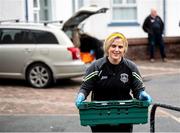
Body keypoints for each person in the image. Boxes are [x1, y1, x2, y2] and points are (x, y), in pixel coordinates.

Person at [75, 32, 152, 132]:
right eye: (113, 46)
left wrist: (142, 94)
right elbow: (85, 87)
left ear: (124, 49)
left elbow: (138, 89)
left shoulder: (131, 67)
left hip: (124, 116)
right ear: (107, 47)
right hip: (100, 116)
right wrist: (81, 95)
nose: (116, 50)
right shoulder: (96, 67)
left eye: (120, 47)